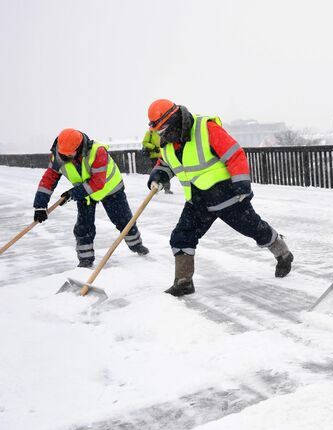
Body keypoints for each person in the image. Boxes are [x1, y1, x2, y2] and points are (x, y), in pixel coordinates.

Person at [145, 99, 293, 296]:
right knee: (181, 236)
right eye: (158, 131)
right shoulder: (167, 142)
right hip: (197, 199)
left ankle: (283, 253)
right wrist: (159, 175)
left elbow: (234, 154)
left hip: (226, 196)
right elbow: (167, 163)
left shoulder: (206, 128)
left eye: (163, 129)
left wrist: (241, 183)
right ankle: (183, 282)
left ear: (174, 119)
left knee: (255, 229)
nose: (162, 134)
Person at [33, 128, 149, 267]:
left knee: (123, 220)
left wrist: (73, 194)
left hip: (110, 189)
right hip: (85, 193)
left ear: (79, 148)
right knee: (83, 227)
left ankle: (136, 245)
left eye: (69, 155)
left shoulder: (97, 152)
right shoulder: (58, 156)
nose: (64, 158)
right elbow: (48, 180)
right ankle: (85, 260)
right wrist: (40, 205)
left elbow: (98, 183)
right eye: (62, 155)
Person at [142, 129, 172, 194]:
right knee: (156, 173)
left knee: (166, 171)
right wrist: (154, 147)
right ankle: (154, 188)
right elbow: (144, 142)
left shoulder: (165, 130)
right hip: (154, 156)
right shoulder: (150, 132)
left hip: (164, 155)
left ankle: (167, 188)